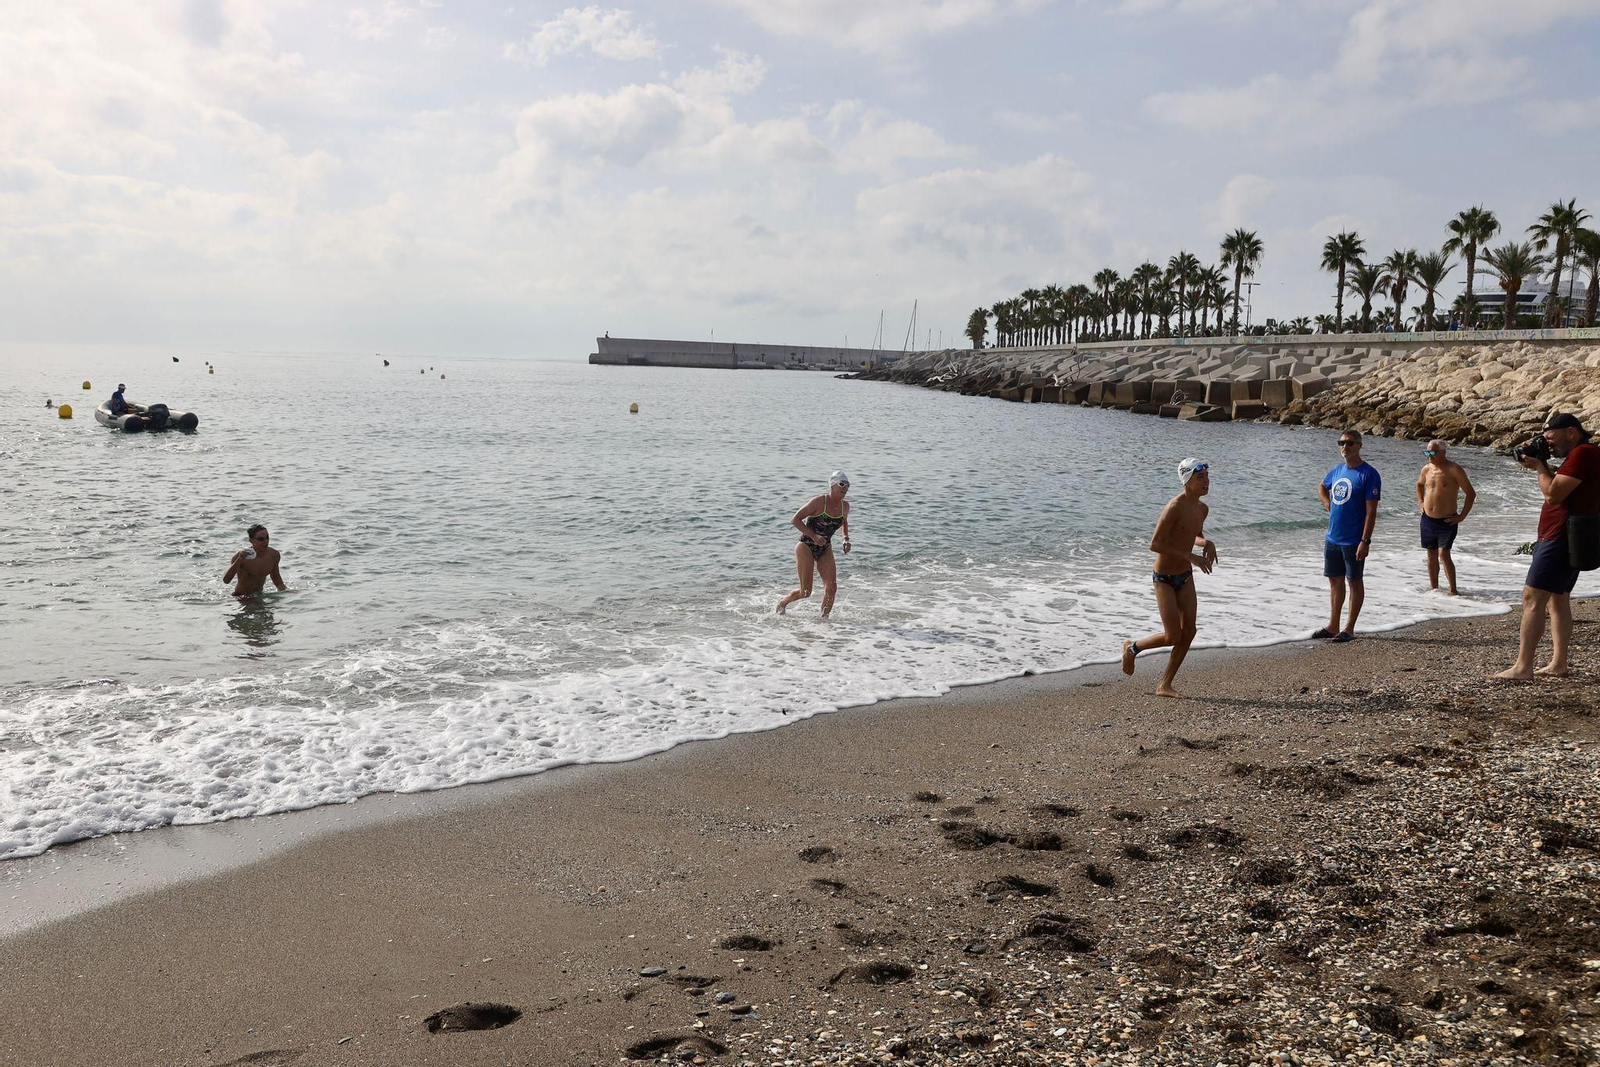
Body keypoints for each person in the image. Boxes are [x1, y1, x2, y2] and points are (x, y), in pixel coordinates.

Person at [1494, 413, 1600, 680]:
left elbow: (1553, 494)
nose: (1549, 444)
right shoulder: (1587, 454)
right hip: (1572, 536)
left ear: (1571, 432)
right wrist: (1545, 467)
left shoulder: (1583, 454)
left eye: (1551, 438)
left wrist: (1541, 466)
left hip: (1560, 537)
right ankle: (1558, 664)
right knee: (1558, 599)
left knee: (1532, 598)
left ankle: (1522, 667)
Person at [1121, 457, 1217, 698]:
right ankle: (1132, 648)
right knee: (1172, 635)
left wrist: (1206, 543)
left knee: (1190, 631)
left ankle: (1164, 685)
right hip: (1163, 578)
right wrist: (1190, 556)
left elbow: (1194, 535)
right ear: (1187, 480)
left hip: (1185, 576)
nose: (1206, 481)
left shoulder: (1202, 508)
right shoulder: (1174, 506)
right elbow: (1155, 544)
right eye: (1200, 477)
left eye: (1207, 476)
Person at [1315, 429, 1381, 642]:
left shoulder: (1369, 474)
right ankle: (1333, 625)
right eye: (1341, 443)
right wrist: (1328, 504)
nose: (1345, 447)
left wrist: (1365, 541)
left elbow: (1371, 512)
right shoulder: (1336, 471)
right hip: (1332, 537)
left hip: (1354, 540)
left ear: (1359, 446)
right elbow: (1322, 487)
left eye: (1350, 443)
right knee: (1335, 581)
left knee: (1354, 581)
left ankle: (1349, 628)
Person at [776, 471, 852, 617]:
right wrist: (813, 536)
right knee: (806, 592)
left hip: (825, 547)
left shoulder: (845, 506)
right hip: (806, 545)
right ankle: (783, 602)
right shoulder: (819, 502)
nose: (845, 488)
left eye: (848, 485)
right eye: (842, 484)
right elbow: (795, 519)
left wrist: (846, 539)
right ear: (832, 485)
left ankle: (824, 621)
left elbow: (844, 522)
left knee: (831, 588)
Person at [1414, 439, 1475, 595]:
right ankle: (1434, 589)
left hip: (1447, 520)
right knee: (1431, 554)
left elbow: (1470, 493)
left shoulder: (1454, 469)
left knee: (1443, 554)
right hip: (1427, 519)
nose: (1429, 456)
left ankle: (1453, 590)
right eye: (1427, 452)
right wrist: (1421, 502)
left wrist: (1462, 516)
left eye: (1432, 452)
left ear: (1443, 452)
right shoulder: (1426, 469)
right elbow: (1419, 485)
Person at [224, 524, 286, 598]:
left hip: (259, 595)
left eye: (267, 537)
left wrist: (287, 595)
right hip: (242, 597)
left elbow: (277, 580)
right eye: (261, 539)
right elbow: (226, 580)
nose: (265, 541)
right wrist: (239, 559)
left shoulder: (274, 555)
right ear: (251, 540)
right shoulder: (241, 556)